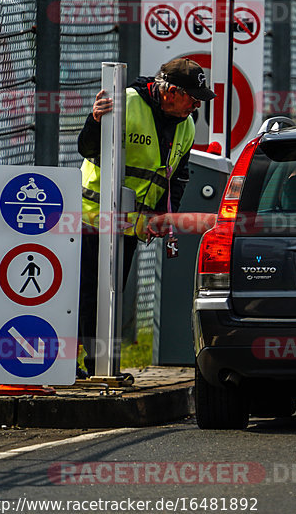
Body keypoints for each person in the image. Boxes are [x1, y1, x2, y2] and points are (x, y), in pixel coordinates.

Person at [77, 57, 216, 377]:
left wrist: (164, 219)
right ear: (169, 92)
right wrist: (95, 121)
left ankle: (98, 365)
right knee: (85, 294)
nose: (195, 106)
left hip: (129, 226)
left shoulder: (187, 126)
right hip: (91, 218)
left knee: (110, 296)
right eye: (192, 98)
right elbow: (86, 148)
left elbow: (178, 178)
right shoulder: (125, 103)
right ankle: (73, 363)